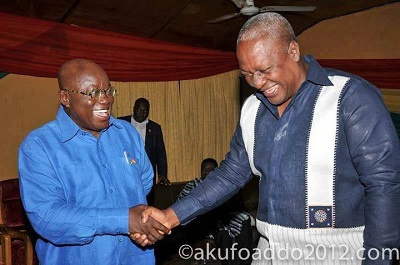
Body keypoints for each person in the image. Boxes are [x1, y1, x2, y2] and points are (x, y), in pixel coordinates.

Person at [135, 12, 400, 264]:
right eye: (248, 75)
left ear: (293, 51)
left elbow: (384, 185)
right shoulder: (253, 109)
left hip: (335, 251)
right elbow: (230, 175)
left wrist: (380, 258)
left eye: (264, 70)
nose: (258, 82)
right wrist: (170, 216)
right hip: (270, 249)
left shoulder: (350, 97)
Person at [18, 59, 169, 265]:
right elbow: (47, 217)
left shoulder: (126, 133)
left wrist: (139, 223)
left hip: (135, 257)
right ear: (65, 98)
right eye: (93, 93)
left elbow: (145, 182)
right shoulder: (40, 146)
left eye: (108, 91)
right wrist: (123, 220)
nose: (106, 99)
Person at [119, 98, 169, 186]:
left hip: (146, 173)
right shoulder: (121, 123)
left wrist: (162, 174)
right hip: (125, 170)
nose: (142, 113)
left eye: (145, 111)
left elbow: (160, 153)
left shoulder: (155, 128)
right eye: (139, 110)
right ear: (134, 109)